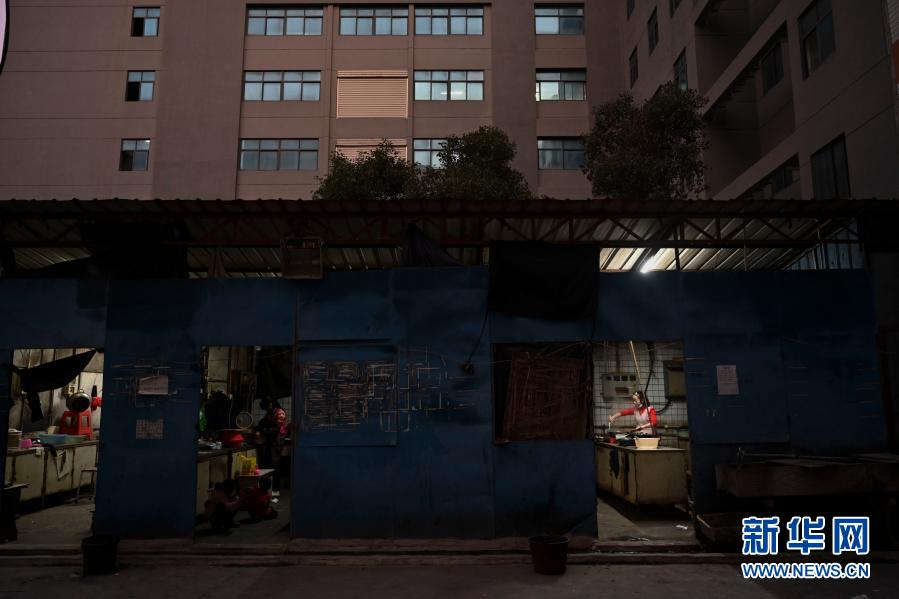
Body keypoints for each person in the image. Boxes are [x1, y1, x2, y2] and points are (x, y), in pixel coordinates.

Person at [254, 397, 287, 496]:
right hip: (271, 441)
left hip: (277, 442)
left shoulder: (280, 413)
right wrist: (258, 429)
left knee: (275, 465)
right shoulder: (270, 413)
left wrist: (262, 431)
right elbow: (262, 422)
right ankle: (270, 489)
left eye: (267, 407)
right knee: (269, 465)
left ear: (271, 404)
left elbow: (276, 430)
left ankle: (275, 490)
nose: (266, 409)